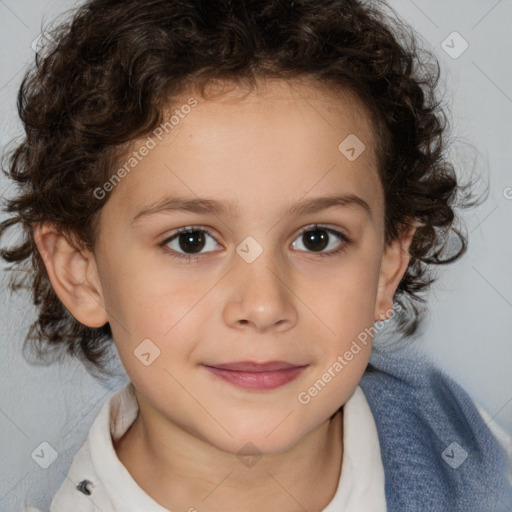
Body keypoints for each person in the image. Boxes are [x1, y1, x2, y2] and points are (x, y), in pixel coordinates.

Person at [1, 0, 510, 511]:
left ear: (386, 265)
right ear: (80, 274)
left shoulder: (467, 447)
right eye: (191, 241)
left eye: (317, 238)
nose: (264, 306)